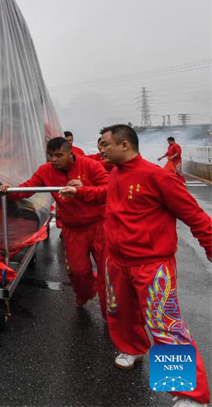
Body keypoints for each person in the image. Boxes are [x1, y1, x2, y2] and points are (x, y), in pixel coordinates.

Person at [61, 124, 211, 406]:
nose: (100, 149)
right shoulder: (115, 173)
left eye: (104, 144)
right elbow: (107, 196)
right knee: (121, 313)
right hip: (117, 262)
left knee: (164, 326)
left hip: (151, 266)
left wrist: (210, 246)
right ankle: (134, 349)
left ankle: (188, 395)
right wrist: (81, 192)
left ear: (125, 145)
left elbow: (195, 216)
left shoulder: (159, 177)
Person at [0, 137, 109, 315]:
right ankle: (86, 292)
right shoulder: (45, 171)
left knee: (108, 273)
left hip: (100, 226)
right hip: (73, 229)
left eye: (59, 155)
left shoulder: (90, 166)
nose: (54, 160)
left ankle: (109, 314)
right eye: (50, 155)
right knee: (77, 271)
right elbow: (28, 188)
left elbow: (109, 189)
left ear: (70, 153)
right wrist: (7, 190)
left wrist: (82, 189)